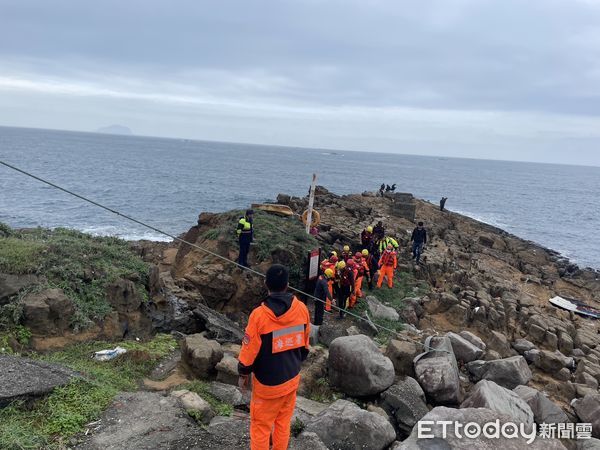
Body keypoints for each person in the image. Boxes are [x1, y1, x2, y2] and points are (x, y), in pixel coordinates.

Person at [238, 264, 311, 450]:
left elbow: (248, 352)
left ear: (266, 284)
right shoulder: (301, 308)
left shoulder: (259, 315)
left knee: (261, 427)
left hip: (267, 386)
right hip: (292, 378)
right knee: (283, 422)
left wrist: (243, 374)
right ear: (287, 285)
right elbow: (305, 346)